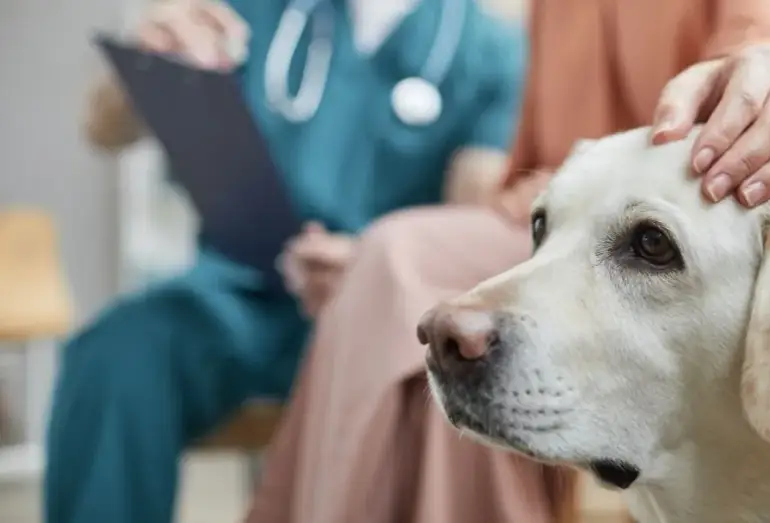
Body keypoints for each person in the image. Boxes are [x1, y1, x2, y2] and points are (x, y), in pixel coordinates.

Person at [244, 0, 770, 522]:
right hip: (556, 234)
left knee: (405, 265)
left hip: (682, 247)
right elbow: (532, 180)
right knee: (412, 287)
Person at [47, 1, 525, 522]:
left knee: (431, 400)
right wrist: (149, 61)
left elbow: (471, 210)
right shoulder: (258, 12)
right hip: (237, 298)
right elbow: (101, 127)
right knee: (116, 352)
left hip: (382, 320)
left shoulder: (491, 52)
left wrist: (371, 263)